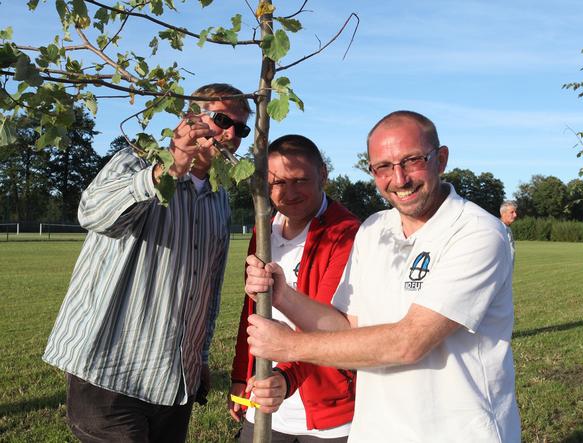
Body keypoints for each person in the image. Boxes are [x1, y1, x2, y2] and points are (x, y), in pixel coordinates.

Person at [244, 111, 521, 442]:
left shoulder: (476, 232)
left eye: (412, 160)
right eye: (383, 167)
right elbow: (347, 326)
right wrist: (283, 295)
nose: (399, 178)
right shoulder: (375, 229)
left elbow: (410, 342)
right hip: (375, 431)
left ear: (441, 159)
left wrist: (290, 346)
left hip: (456, 432)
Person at [42, 83, 276, 442]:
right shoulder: (138, 159)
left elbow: (207, 286)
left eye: (241, 128)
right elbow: (91, 214)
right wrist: (166, 172)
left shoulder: (219, 196)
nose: (231, 133)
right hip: (108, 371)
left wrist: (199, 355)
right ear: (188, 118)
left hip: (173, 379)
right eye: (221, 119)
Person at [229, 135, 360, 443]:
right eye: (277, 183)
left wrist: (284, 378)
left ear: (323, 175)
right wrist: (240, 375)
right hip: (263, 395)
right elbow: (250, 312)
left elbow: (327, 324)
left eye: (300, 180)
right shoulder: (265, 230)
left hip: (327, 409)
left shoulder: (346, 234)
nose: (288, 193)